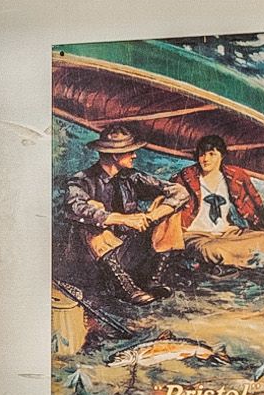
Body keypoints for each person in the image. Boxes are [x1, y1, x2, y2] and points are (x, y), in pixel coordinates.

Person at [56, 127, 175, 302]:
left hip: (128, 247)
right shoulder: (82, 181)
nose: (135, 155)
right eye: (130, 152)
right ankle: (124, 287)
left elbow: (178, 192)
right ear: (115, 155)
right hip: (95, 259)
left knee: (169, 213)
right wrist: (123, 219)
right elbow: (76, 208)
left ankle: (152, 281)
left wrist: (152, 215)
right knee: (91, 219)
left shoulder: (133, 177)